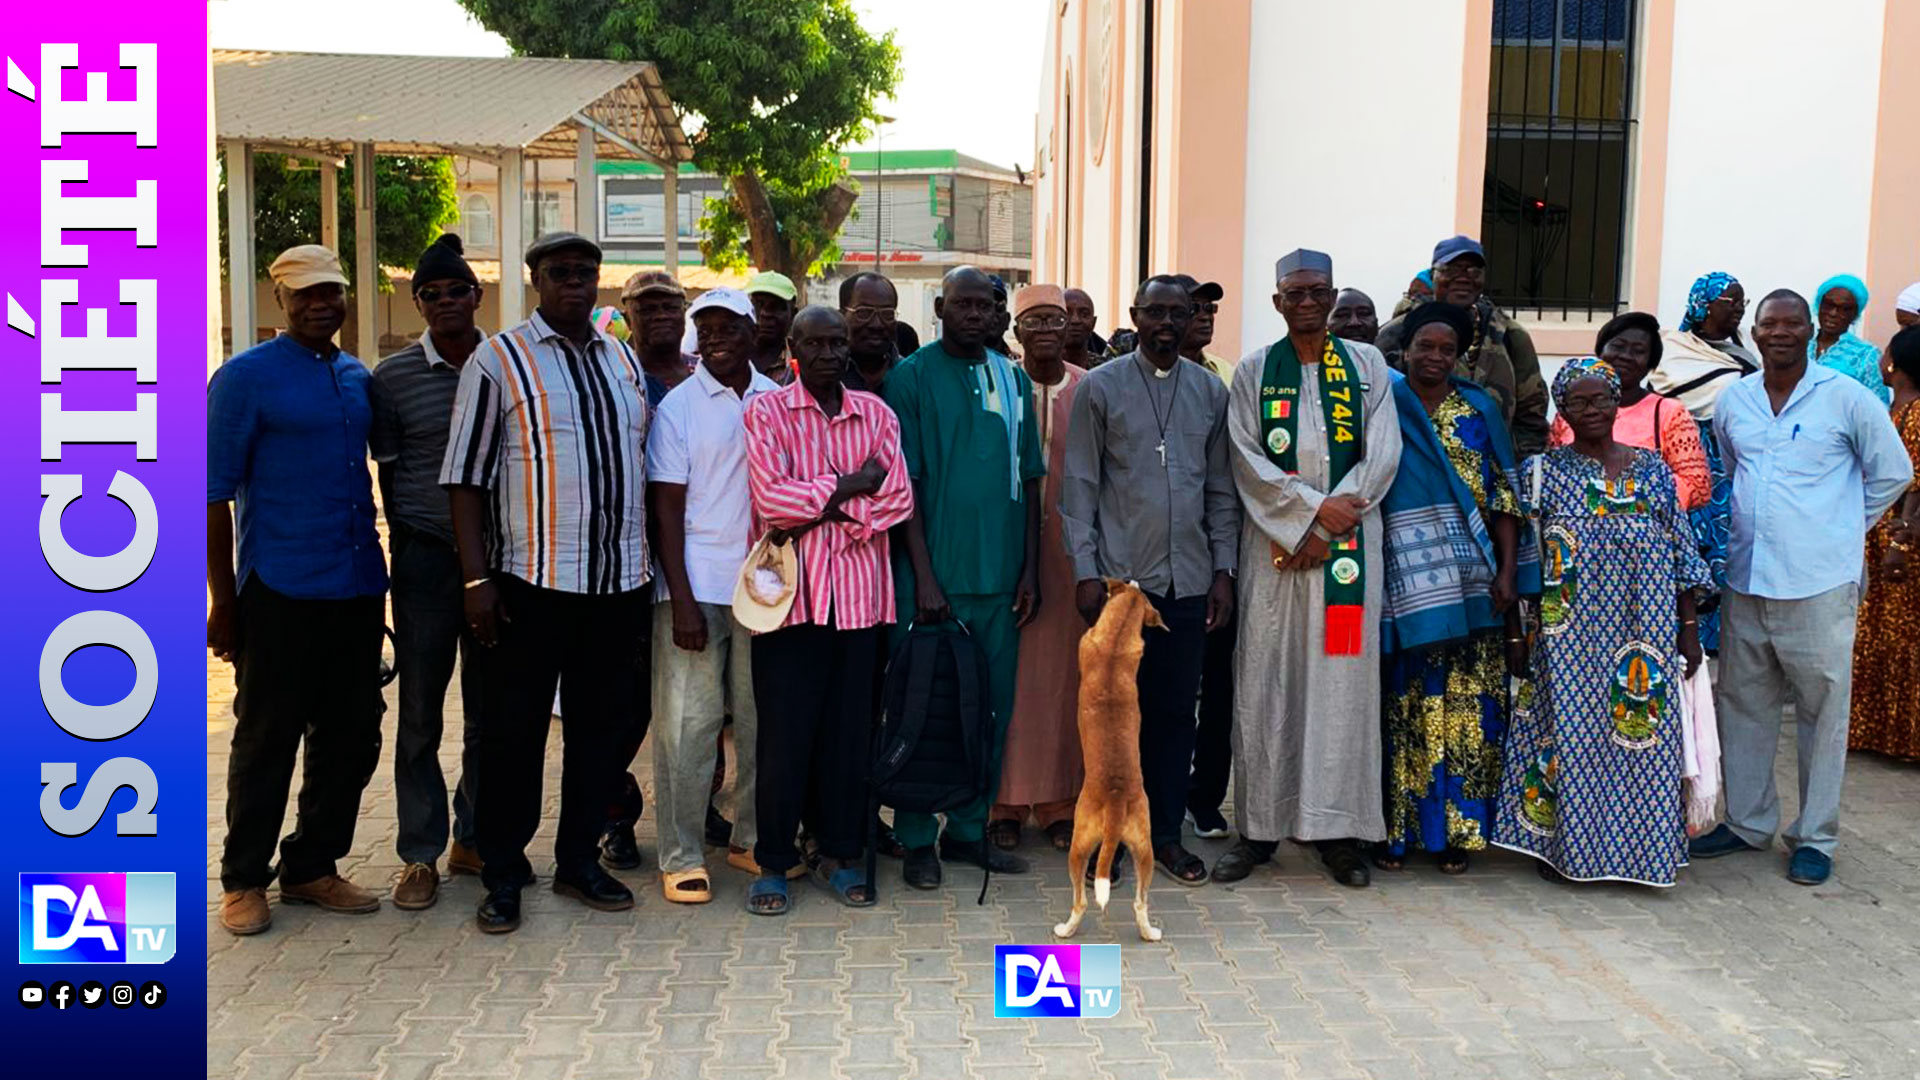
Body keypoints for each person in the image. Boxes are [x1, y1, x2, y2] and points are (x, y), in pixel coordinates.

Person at [441, 231, 654, 933]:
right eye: (561, 273)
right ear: (534, 280)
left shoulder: (621, 359)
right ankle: (502, 874)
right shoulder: (499, 360)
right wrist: (477, 580)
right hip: (530, 583)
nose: (575, 283)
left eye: (586, 273)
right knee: (513, 735)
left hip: (617, 582)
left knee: (602, 732)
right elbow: (465, 481)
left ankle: (577, 862)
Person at [1689, 289, 1912, 886]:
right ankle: (1748, 821)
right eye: (1770, 324)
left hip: (1819, 581)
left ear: (1810, 332)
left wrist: (1839, 527)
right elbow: (1735, 469)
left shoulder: (1848, 398)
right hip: (1747, 575)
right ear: (1756, 334)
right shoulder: (1736, 400)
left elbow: (1894, 472)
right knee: (1743, 703)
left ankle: (1815, 835)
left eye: (1793, 324)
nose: (1780, 332)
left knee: (1821, 711)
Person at [209, 244, 390, 936]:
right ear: (280, 301)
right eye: (305, 295)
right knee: (267, 737)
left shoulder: (355, 378)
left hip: (355, 585)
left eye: (332, 293)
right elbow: (212, 495)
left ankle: (313, 866)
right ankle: (243, 878)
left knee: (354, 734)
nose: (321, 305)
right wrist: (223, 604)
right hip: (278, 586)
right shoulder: (244, 379)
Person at [1212, 250, 1402, 889]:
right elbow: (1244, 458)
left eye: (1317, 292)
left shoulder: (1369, 364)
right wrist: (1308, 517)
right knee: (1268, 681)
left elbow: (1382, 452)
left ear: (1332, 295)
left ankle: (1339, 833)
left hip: (1345, 552)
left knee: (1342, 687)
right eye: (1294, 293)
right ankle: (1259, 830)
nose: (1307, 303)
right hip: (1276, 553)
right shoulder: (1254, 370)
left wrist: (1324, 526)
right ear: (1277, 302)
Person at [1491, 358, 1708, 887]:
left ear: (1617, 403)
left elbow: (1680, 549)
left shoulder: (1654, 469)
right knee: (1571, 739)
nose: (1591, 411)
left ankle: (1641, 855)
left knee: (1643, 740)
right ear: (1561, 410)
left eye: (1601, 400)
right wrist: (1517, 632)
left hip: (1646, 628)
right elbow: (1515, 549)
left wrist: (1688, 629)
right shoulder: (1542, 474)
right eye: (1577, 402)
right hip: (1568, 634)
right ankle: (1571, 854)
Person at [1059, 276, 1240, 885]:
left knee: (1171, 717)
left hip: (1186, 583)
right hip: (1120, 585)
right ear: (1134, 317)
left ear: (1192, 319)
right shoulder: (1100, 388)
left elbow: (1220, 490)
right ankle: (1106, 839)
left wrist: (1223, 572)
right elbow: (1079, 487)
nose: (1166, 322)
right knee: (1112, 718)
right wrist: (1084, 572)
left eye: (1178, 313)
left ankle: (1163, 835)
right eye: (1154, 312)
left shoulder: (1211, 393)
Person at [742, 306, 915, 914]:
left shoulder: (877, 413)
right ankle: (773, 861)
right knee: (784, 740)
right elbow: (771, 501)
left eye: (836, 343)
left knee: (849, 737)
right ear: (792, 348)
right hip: (790, 604)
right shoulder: (765, 412)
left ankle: (839, 853)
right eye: (814, 343)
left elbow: (895, 500)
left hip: (862, 605)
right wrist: (848, 485)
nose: (828, 354)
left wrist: (821, 502)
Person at [883, 265, 1045, 889]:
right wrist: (924, 577)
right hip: (932, 584)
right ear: (941, 310)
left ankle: (969, 833)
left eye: (986, 306)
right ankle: (918, 837)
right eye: (962, 304)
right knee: (926, 710)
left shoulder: (1011, 376)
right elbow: (907, 489)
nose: (974, 315)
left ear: (999, 316)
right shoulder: (912, 378)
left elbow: (1029, 481)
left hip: (1001, 582)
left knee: (989, 712)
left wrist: (1030, 569)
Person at [1377, 302, 1535, 875]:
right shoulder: (1384, 406)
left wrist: (1507, 574)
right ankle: (1398, 833)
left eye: (1448, 349)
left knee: (1470, 715)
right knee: (1404, 710)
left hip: (1474, 587)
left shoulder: (1480, 408)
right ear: (1406, 350)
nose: (1436, 357)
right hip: (1407, 587)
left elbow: (1504, 495)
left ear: (1460, 356)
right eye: (1426, 347)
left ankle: (1458, 837)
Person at [647, 287, 784, 905]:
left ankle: (749, 839)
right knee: (689, 727)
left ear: (754, 332)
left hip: (764, 588)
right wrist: (678, 598)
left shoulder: (777, 400)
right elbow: (665, 510)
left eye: (729, 326)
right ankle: (679, 854)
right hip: (695, 585)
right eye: (706, 328)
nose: (717, 337)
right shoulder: (679, 408)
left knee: (759, 722)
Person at [369, 234, 489, 911]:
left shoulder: (505, 362)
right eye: (432, 295)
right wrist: (404, 554)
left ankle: (473, 838)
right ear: (418, 304)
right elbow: (387, 473)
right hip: (422, 564)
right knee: (419, 713)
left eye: (456, 291)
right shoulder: (392, 379)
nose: (445, 303)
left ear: (476, 296)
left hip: (499, 565)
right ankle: (419, 854)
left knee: (488, 709)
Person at [989, 286, 1090, 854]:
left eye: (1057, 318)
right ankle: (1002, 803)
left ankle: (1060, 803)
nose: (1048, 328)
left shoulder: (1089, 387)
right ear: (1017, 330)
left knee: (1062, 681)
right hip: (1008, 547)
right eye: (1036, 320)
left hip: (1071, 553)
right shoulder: (1000, 384)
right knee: (1010, 677)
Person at [1651, 271, 1758, 654]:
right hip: (1685, 458)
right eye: (1732, 301)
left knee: (1730, 546)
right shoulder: (1671, 348)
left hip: (1730, 461)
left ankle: (1722, 636)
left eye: (1743, 302)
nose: (1739, 310)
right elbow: (1666, 396)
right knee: (1692, 543)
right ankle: (1687, 629)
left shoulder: (1746, 351)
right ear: (1703, 305)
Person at [1168, 274, 1238, 841]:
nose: (1204, 315)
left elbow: (1227, 480)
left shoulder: (1228, 379)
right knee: (1162, 696)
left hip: (1212, 556)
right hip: (1152, 566)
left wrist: (1226, 566)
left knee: (1217, 688)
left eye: (1210, 306)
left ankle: (1205, 794)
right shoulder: (1126, 380)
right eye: (1193, 307)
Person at [1376, 236, 1548, 456]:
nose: (1464, 278)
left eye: (1473, 271)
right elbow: (1375, 411)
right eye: (1452, 269)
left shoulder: (1510, 336)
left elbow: (1532, 416)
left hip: (1490, 476)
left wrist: (1505, 467)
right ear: (1432, 275)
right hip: (1414, 471)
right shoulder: (1397, 333)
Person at [1549, 313, 1710, 511]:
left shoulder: (1668, 413)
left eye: (1638, 351)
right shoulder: (1572, 411)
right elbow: (1552, 472)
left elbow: (1697, 487)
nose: (1625, 356)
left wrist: (1617, 504)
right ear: (1601, 350)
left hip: (1642, 534)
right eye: (1618, 346)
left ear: (1651, 363)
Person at [1850, 325, 1920, 759]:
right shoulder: (1896, 409)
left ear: (1895, 363)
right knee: (1880, 634)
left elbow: (1916, 482)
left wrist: (1903, 543)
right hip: (1881, 535)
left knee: (1901, 636)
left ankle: (1902, 736)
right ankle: (1881, 733)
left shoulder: (1916, 414)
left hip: (1900, 538)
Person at [622, 269, 699, 407]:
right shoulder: (619, 378)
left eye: (671, 308)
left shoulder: (707, 371)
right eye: (647, 310)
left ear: (684, 313)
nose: (661, 316)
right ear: (628, 319)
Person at [1809, 274, 1890, 404]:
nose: (1833, 313)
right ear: (1819, 305)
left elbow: (1879, 406)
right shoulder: (1801, 346)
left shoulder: (1867, 355)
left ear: (1854, 315)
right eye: (1829, 305)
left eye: (1844, 309)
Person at [840, 271, 902, 394]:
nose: (877, 324)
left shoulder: (912, 376)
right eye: (864, 313)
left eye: (887, 314)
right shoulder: (822, 374)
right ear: (841, 315)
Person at [1171, 274, 1234, 383]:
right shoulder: (1151, 371)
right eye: (1193, 308)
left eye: (1209, 308)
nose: (1206, 317)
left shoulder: (1225, 371)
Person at [746, 270, 799, 386]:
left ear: (793, 314)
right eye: (758, 304)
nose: (765, 313)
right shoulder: (728, 357)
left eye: (776, 307)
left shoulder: (802, 360)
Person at [1065, 287, 1107, 368]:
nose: (1075, 320)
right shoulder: (1039, 368)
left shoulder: (1106, 369)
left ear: (1094, 322)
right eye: (1066, 313)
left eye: (1084, 314)